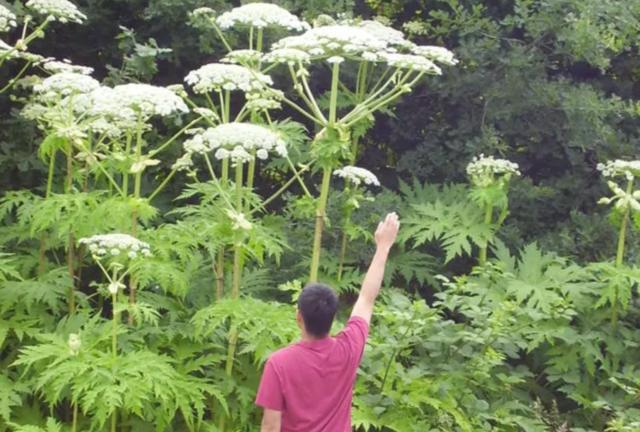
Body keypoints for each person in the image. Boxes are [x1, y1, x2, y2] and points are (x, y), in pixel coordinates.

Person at [255, 212, 400, 432]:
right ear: (333, 318)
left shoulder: (279, 364)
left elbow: (270, 426)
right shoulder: (348, 349)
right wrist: (383, 247)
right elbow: (367, 298)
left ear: (299, 317)